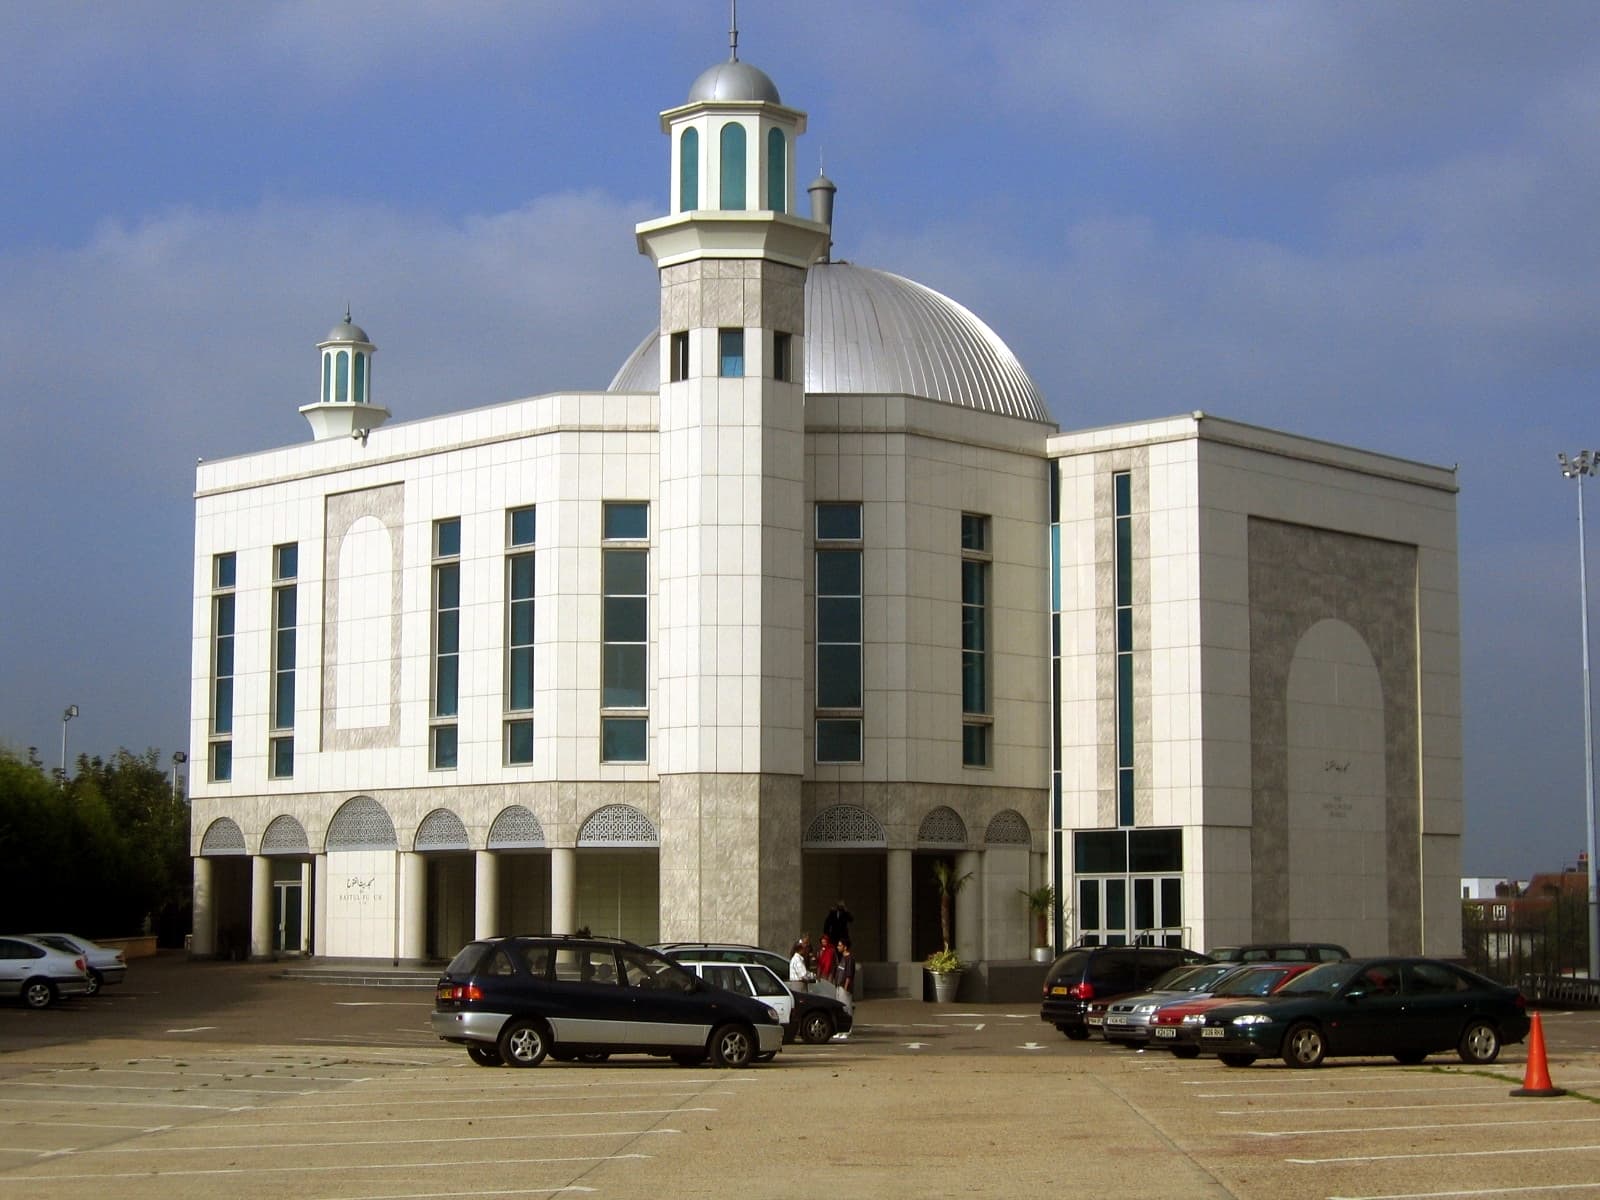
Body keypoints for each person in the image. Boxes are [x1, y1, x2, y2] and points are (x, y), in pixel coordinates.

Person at [833, 940, 856, 1034]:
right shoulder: (842, 958)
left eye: (840, 945)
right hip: (839, 986)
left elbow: (849, 975)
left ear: (845, 947)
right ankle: (841, 1029)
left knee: (846, 1007)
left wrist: (846, 987)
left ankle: (847, 1029)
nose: (838, 947)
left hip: (844, 987)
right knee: (840, 1008)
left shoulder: (849, 958)